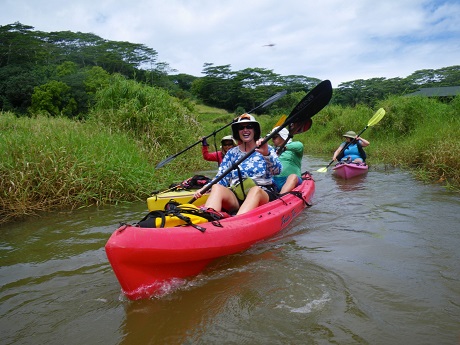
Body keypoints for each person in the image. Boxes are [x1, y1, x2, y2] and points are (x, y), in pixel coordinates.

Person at [194, 113, 282, 215]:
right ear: (237, 131)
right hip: (238, 195)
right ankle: (209, 218)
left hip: (262, 193)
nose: (245, 130)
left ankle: (237, 222)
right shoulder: (231, 153)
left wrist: (266, 154)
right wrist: (204, 189)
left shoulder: (266, 149)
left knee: (255, 190)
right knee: (217, 188)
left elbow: (277, 171)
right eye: (241, 128)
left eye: (249, 126)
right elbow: (221, 178)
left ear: (255, 130)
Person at [270, 126, 304, 194]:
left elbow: (300, 146)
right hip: (274, 181)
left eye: (274, 137)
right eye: (272, 138)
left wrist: (284, 148)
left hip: (290, 180)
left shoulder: (294, 148)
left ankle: (280, 197)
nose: (272, 140)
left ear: (283, 137)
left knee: (293, 177)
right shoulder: (272, 150)